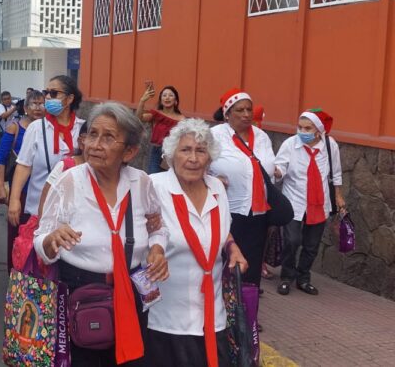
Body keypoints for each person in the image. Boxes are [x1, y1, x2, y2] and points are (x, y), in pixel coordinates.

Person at [34, 102, 169, 366]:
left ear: (129, 151)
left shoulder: (141, 182)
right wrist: (51, 240)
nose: (95, 144)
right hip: (80, 290)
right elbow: (41, 239)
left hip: (131, 289)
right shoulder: (69, 181)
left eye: (108, 137)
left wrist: (157, 248)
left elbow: (158, 228)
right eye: (92, 134)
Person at [147, 118, 248, 367]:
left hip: (214, 318)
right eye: (185, 150)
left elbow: (221, 229)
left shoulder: (217, 188)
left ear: (209, 158)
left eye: (200, 151)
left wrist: (231, 246)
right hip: (166, 320)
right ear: (171, 155)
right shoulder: (153, 187)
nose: (193, 158)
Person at [8, 75, 86, 255]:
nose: (48, 98)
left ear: (70, 98)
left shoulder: (83, 130)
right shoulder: (36, 128)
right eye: (46, 93)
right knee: (35, 266)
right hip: (38, 210)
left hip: (73, 214)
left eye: (54, 93)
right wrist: (14, 200)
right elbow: (23, 166)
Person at [274, 109, 346, 296]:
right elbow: (281, 165)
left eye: (307, 128)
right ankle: (286, 277)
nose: (302, 132)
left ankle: (303, 278)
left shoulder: (330, 146)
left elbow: (335, 173)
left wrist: (338, 196)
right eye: (300, 127)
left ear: (318, 130)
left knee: (312, 244)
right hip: (294, 200)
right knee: (292, 240)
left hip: (319, 202)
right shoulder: (290, 144)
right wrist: (277, 172)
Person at [209, 88, 275, 289]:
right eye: (240, 110)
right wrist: (210, 177)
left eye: (249, 109)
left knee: (252, 265)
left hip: (258, 213)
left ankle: (248, 315)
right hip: (227, 210)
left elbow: (270, 168)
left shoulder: (262, 136)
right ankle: (223, 312)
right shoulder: (214, 135)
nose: (246, 114)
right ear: (227, 114)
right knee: (223, 262)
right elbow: (196, 164)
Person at [0, 89, 46, 272]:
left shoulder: (50, 129)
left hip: (44, 194)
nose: (39, 108)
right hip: (21, 194)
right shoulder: (15, 127)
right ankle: (16, 279)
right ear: (25, 107)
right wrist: (0, 186)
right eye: (34, 104)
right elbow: (0, 158)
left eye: (42, 104)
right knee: (18, 237)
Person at [136, 82, 184, 174]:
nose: (167, 97)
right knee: (154, 179)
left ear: (176, 101)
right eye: (164, 95)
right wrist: (142, 100)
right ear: (161, 100)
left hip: (174, 153)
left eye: (170, 95)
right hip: (156, 152)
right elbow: (139, 118)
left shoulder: (182, 119)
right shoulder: (155, 114)